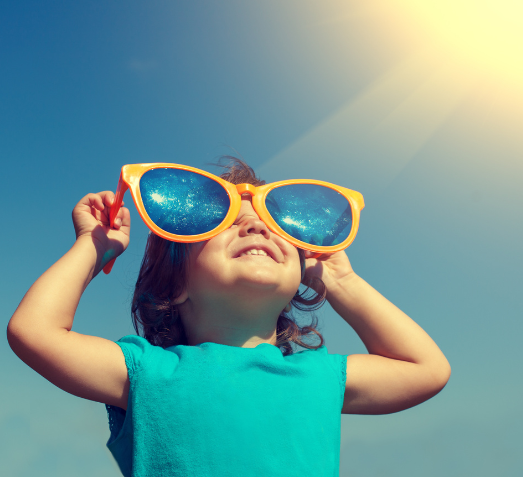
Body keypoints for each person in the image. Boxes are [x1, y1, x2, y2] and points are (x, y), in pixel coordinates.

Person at [7, 157, 451, 476]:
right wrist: (94, 244)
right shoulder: (149, 372)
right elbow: (35, 332)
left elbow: (426, 369)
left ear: (300, 277)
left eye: (277, 228)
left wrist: (342, 281)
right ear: (174, 283)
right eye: (226, 224)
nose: (256, 227)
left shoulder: (318, 375)